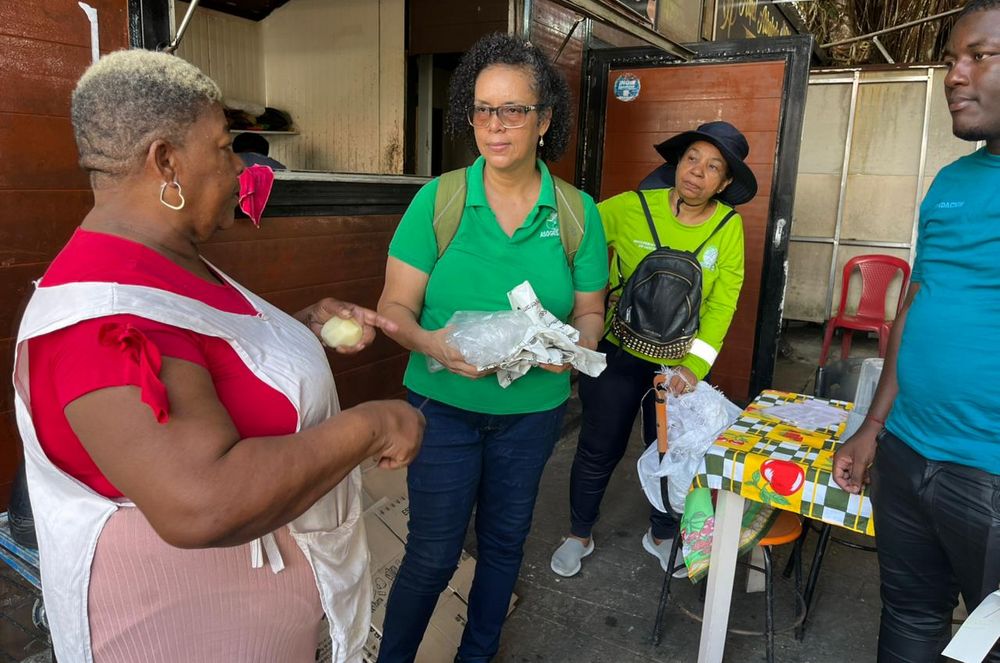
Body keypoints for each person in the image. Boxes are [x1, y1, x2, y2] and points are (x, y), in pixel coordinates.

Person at [12, 50, 424, 663]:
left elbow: (212, 359)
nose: (240, 170)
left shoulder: (165, 256)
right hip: (180, 633)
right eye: (226, 147)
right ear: (166, 160)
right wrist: (373, 426)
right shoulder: (104, 323)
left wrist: (300, 334)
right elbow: (202, 504)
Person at [375, 33, 609, 662]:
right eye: (482, 109)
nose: (494, 125)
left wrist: (575, 346)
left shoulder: (577, 212)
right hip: (442, 408)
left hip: (531, 416)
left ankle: (475, 655)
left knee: (505, 545)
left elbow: (591, 311)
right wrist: (433, 343)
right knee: (432, 552)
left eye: (513, 110)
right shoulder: (441, 200)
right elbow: (392, 309)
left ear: (545, 120)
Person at [833, 2, 1000, 660]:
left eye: (979, 55)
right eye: (949, 60)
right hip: (906, 456)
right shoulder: (951, 183)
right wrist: (875, 425)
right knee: (908, 617)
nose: (954, 76)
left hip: (987, 474)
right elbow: (917, 302)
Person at [550, 121, 757, 578]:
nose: (697, 173)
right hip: (617, 350)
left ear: (724, 183)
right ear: (676, 163)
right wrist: (574, 311)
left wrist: (695, 366)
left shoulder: (728, 227)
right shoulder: (629, 207)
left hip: (675, 364)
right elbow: (574, 243)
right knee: (597, 447)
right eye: (691, 159)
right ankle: (578, 534)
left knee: (670, 452)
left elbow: (724, 301)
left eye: (712, 167)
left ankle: (662, 534)